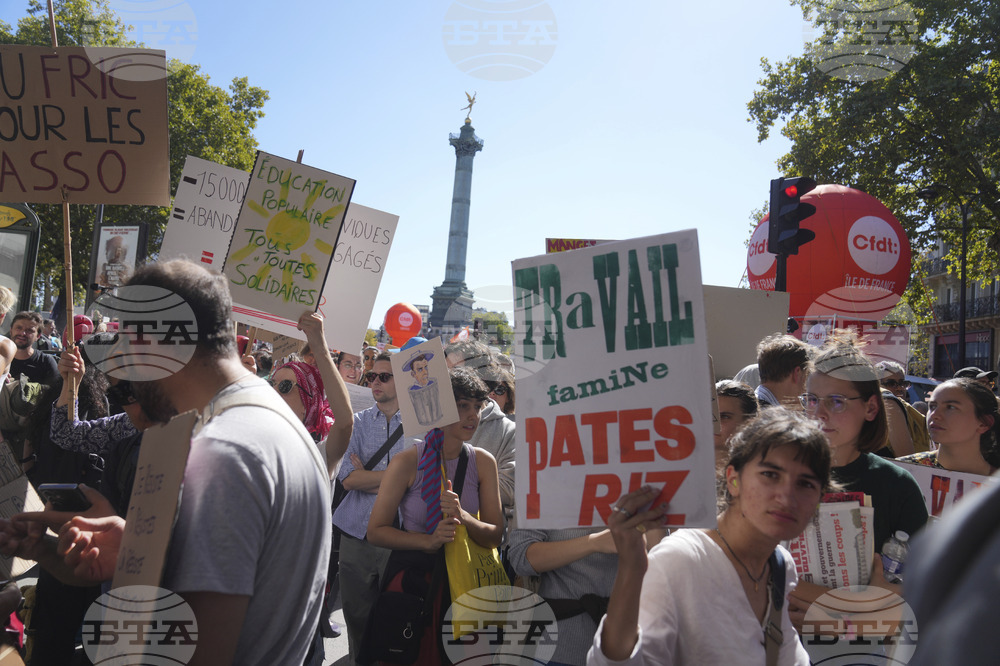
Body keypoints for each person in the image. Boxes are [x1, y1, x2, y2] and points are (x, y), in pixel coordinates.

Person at [0, 259, 332, 666]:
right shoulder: (266, 420)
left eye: (123, 341)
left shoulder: (222, 452)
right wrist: (132, 551)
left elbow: (190, 650)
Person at [587, 408, 832, 665]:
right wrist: (632, 568)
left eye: (805, 484)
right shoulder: (681, 559)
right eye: (770, 475)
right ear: (733, 480)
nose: (786, 497)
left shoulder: (780, 565)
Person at [788, 335, 927, 630]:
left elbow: (918, 596)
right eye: (812, 399)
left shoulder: (896, 484)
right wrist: (861, 605)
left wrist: (840, 619)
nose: (819, 412)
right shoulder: (778, 475)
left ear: (871, 409)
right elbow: (753, 570)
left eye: (836, 401)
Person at [366, 367, 503, 665]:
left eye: (477, 407)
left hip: (464, 586)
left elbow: (495, 534)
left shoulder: (483, 462)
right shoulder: (406, 462)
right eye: (463, 405)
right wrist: (426, 541)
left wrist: (463, 516)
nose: (473, 416)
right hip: (413, 585)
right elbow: (376, 530)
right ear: (439, 409)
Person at [332, 352, 418, 664]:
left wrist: (369, 476)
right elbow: (348, 480)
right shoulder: (357, 422)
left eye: (384, 376)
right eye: (372, 377)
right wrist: (399, 477)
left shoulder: (419, 426)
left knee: (396, 614)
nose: (375, 382)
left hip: (398, 535)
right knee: (355, 616)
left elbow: (419, 480)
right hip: (355, 534)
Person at [269, 310, 354, 478]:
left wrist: (320, 346)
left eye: (286, 386)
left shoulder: (318, 453)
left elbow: (344, 423)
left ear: (309, 404)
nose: (274, 392)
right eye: (271, 384)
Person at [896, 378, 1000, 474]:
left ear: (984, 423)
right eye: (932, 406)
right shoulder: (901, 471)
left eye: (951, 407)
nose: (934, 415)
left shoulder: (994, 485)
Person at [754, 333, 811, 409]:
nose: (807, 388)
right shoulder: (767, 417)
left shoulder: (748, 406)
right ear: (797, 373)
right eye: (807, 375)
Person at [714, 379, 758, 473]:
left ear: (749, 422)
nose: (713, 423)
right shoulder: (684, 469)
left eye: (724, 416)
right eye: (709, 416)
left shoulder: (758, 472)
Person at [7, 311, 59, 385]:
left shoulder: (46, 363)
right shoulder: (2, 358)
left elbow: (54, 393)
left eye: (29, 330)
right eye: (19, 328)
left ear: (38, 336)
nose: (22, 333)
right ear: (11, 330)